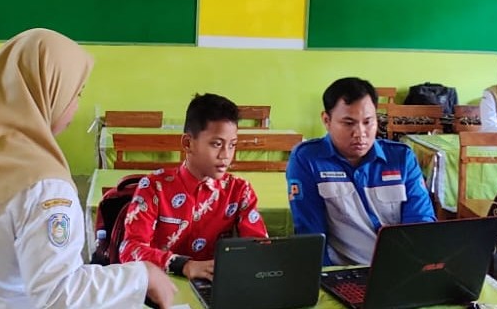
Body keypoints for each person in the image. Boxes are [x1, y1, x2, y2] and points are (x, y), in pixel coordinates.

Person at [0, 28, 176, 309]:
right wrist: (141, 276)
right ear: (46, 93)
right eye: (76, 94)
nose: (75, 106)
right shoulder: (43, 185)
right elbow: (59, 295)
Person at [285, 77, 435, 266]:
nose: (360, 133)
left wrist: (411, 268)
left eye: (368, 122)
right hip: (343, 271)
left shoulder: (401, 158)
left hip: (399, 268)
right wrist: (327, 277)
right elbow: (311, 235)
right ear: (326, 120)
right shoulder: (308, 159)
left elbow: (420, 223)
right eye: (348, 123)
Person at [119, 93, 268, 281]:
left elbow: (259, 249)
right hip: (160, 288)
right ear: (188, 143)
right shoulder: (154, 186)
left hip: (214, 288)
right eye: (216, 144)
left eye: (232, 145)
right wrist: (183, 265)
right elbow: (129, 250)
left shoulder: (239, 191)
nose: (226, 155)